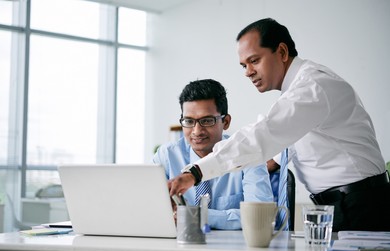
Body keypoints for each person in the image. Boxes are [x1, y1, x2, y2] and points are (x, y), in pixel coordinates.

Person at [168, 18, 390, 232]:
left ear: (282, 52)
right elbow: (289, 140)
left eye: (254, 61)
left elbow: (263, 134)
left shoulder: (312, 86)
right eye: (243, 65)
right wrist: (265, 164)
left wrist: (196, 172)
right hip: (345, 205)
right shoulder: (299, 92)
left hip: (360, 206)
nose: (248, 72)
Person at [154, 79, 273, 230]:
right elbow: (149, 208)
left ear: (226, 122)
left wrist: (197, 215)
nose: (197, 131)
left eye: (207, 121)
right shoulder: (166, 156)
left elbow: (261, 216)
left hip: (233, 250)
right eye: (189, 121)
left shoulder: (249, 154)